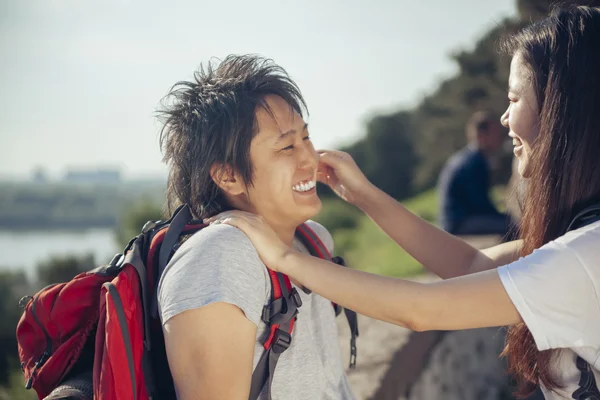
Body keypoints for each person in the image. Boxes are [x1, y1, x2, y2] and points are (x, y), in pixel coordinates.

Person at [207, 6, 600, 399]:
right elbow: (469, 265)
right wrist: (363, 195)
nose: (504, 117)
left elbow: (421, 309)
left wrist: (283, 257)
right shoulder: (582, 237)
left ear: (560, 111)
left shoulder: (587, 255)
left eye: (514, 98)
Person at [156, 55, 355, 400]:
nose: (311, 158)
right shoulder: (218, 260)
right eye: (287, 146)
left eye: (306, 138)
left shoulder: (313, 239)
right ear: (228, 176)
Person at [438, 110, 512, 236]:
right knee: (513, 226)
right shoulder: (473, 163)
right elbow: (480, 205)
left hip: (460, 219)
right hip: (459, 223)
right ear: (482, 135)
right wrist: (506, 217)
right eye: (495, 133)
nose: (499, 137)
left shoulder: (469, 157)